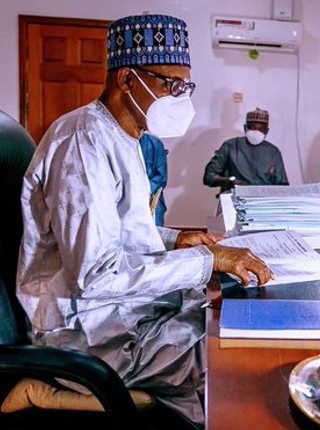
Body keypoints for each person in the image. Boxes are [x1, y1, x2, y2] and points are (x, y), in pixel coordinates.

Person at [16, 13, 272, 426]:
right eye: (170, 84)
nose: (180, 97)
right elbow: (96, 275)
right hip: (89, 335)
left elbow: (112, 232)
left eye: (185, 86)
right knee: (234, 356)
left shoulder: (127, 135)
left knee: (233, 320)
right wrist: (211, 261)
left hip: (126, 313)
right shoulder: (83, 142)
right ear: (127, 80)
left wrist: (173, 239)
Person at [202, 107, 289, 194]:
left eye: (261, 129)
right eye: (253, 127)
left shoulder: (273, 152)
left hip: (263, 201)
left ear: (266, 131)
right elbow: (209, 177)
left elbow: (282, 185)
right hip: (235, 198)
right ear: (245, 128)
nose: (256, 132)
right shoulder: (230, 146)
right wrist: (230, 181)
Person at [139, 132, 168, 226]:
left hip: (152, 197)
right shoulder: (118, 142)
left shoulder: (155, 143)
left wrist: (141, 190)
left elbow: (161, 177)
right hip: (125, 197)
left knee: (155, 234)